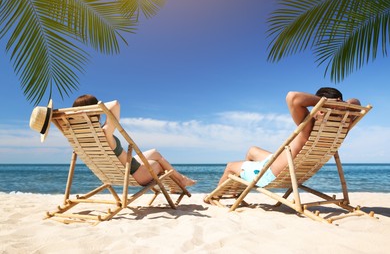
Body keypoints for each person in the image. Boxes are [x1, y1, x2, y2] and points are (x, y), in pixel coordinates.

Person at [214, 87, 347, 188]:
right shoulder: (343, 126)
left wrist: (324, 103)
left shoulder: (309, 125)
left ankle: (214, 197)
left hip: (270, 174)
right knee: (252, 150)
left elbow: (293, 97)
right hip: (279, 164)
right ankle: (246, 179)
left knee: (230, 166)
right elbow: (356, 101)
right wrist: (341, 105)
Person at [72, 94, 196, 188]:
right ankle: (180, 182)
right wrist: (94, 108)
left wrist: (77, 113)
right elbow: (115, 104)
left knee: (154, 152)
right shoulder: (105, 133)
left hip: (127, 169)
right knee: (158, 163)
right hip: (136, 174)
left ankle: (179, 182)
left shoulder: (79, 136)